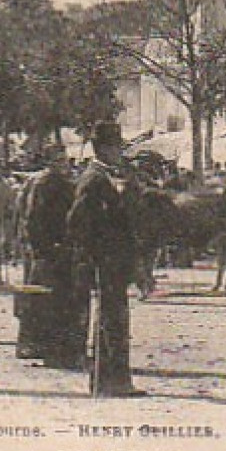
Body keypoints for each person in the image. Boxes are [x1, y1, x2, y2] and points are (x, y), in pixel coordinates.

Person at [66, 123, 146, 397]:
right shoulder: (94, 179)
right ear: (106, 149)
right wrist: (96, 253)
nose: (119, 154)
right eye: (116, 148)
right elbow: (78, 223)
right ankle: (109, 382)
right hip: (106, 261)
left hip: (112, 260)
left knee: (114, 319)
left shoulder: (103, 177)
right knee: (111, 319)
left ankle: (112, 380)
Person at [17, 147, 86, 368]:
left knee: (45, 300)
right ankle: (53, 350)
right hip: (52, 250)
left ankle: (40, 346)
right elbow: (34, 218)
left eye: (64, 160)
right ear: (50, 162)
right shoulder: (47, 184)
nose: (64, 164)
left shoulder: (51, 182)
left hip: (52, 250)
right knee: (52, 301)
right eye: (60, 160)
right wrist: (45, 248)